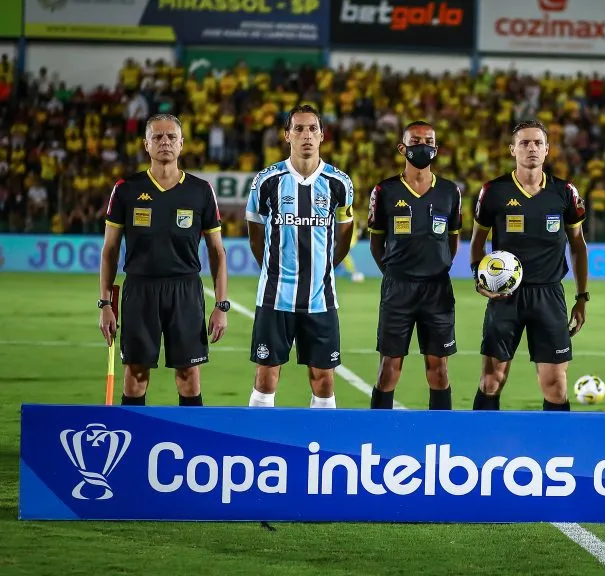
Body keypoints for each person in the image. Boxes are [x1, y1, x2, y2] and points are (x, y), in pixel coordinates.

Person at [98, 113, 228, 407]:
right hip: (139, 290)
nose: (165, 142)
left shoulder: (200, 191)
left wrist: (221, 305)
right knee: (135, 374)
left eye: (171, 137)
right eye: (157, 136)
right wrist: (105, 303)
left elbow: (217, 252)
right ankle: (131, 435)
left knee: (188, 375)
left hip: (185, 291)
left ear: (182, 144)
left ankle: (190, 437)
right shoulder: (126, 189)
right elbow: (109, 250)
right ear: (146, 144)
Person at [470, 119, 589, 411]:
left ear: (547, 149)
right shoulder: (493, 191)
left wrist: (581, 297)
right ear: (513, 150)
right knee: (491, 380)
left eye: (538, 143)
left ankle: (556, 441)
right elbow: (476, 244)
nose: (531, 148)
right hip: (505, 297)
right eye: (524, 143)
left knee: (556, 386)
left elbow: (578, 246)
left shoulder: (564, 192)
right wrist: (479, 279)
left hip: (549, 296)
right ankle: (481, 438)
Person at [244, 104, 355, 409]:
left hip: (321, 298)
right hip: (275, 296)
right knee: (266, 377)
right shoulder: (267, 180)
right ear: (287, 135)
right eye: (299, 128)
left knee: (324, 379)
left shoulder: (339, 182)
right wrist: (272, 269)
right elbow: (255, 235)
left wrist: (326, 268)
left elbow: (345, 235)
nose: (306, 135)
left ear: (322, 135)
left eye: (312, 129)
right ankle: (259, 435)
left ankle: (320, 438)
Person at [366, 121, 462, 410]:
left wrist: (438, 267)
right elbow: (376, 243)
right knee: (388, 369)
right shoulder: (384, 190)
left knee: (439, 371)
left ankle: (441, 433)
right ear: (402, 148)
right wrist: (393, 273)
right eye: (416, 141)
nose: (423, 146)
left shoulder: (450, 191)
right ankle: (378, 430)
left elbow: (453, 240)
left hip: (437, 290)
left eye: (428, 141)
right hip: (398, 289)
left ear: (436, 149)